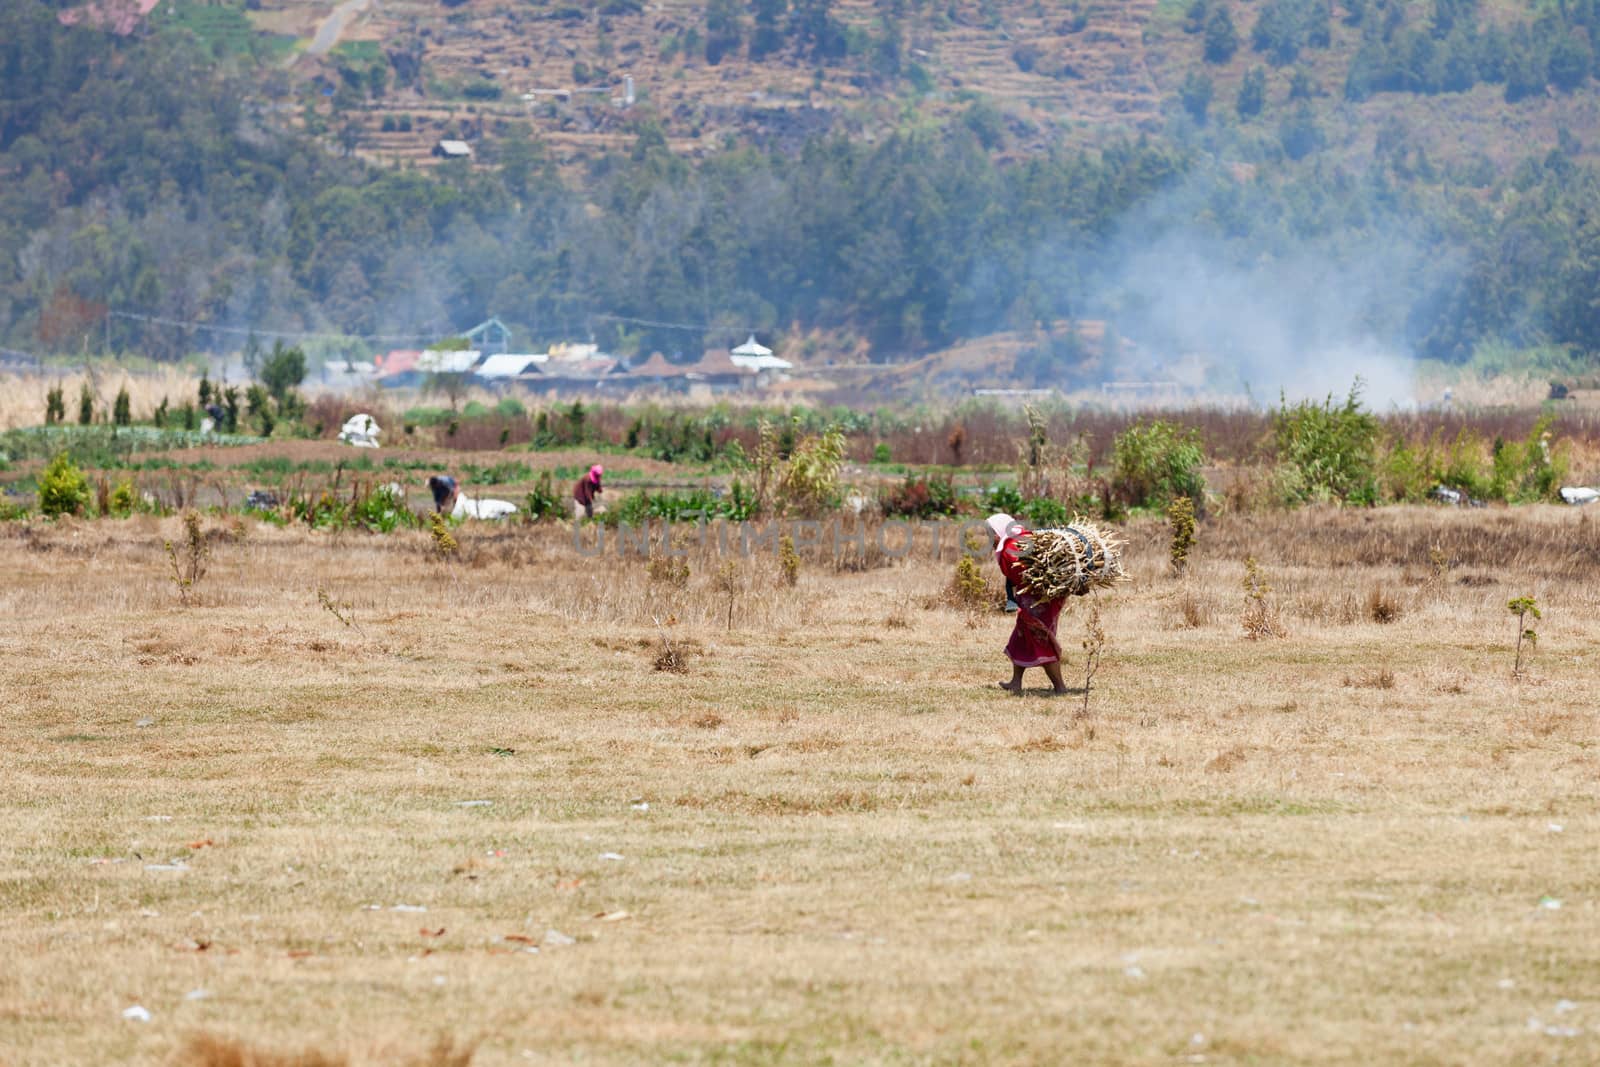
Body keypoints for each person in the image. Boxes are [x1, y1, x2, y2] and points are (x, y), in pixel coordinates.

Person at [986, 513, 1068, 695]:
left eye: (991, 533)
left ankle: (1060, 687)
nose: (990, 538)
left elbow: (1024, 575)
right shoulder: (1020, 540)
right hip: (1036, 600)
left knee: (1042, 640)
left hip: (1039, 602)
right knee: (1020, 639)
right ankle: (1016, 682)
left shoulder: (1011, 548)